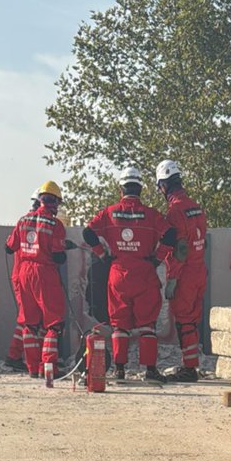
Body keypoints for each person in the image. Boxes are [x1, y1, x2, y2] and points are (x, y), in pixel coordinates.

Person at [83, 165, 178, 383]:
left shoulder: (109, 213)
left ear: (121, 190)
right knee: (147, 325)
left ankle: (119, 370)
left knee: (119, 325)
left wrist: (102, 255)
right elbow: (171, 235)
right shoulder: (152, 215)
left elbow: (88, 232)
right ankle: (151, 371)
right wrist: (157, 258)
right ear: (141, 190)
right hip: (145, 272)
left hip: (118, 273)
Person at [5, 181, 67, 378]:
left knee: (29, 323)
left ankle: (32, 368)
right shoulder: (55, 224)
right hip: (45, 273)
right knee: (53, 323)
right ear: (55, 202)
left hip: (23, 272)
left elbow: (9, 247)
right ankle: (48, 367)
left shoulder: (23, 220)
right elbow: (58, 256)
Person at [156, 159, 207, 383]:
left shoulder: (175, 210)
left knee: (184, 321)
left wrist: (172, 279)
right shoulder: (196, 206)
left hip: (184, 273)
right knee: (192, 321)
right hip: (199, 270)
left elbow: (181, 248)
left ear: (164, 185)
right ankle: (191, 364)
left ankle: (189, 369)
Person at [5, 188, 41, 372]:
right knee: (27, 319)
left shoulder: (26, 222)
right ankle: (16, 356)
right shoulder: (30, 223)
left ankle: (18, 356)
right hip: (24, 277)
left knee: (28, 318)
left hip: (24, 276)